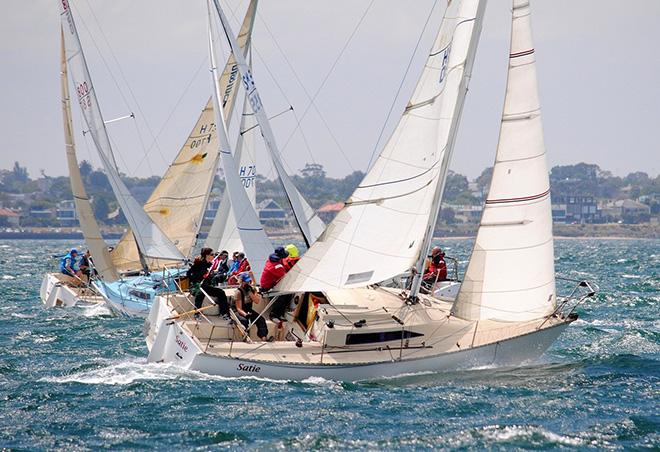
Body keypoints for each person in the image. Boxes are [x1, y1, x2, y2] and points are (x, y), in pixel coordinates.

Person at [187, 247, 229, 317]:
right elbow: (189, 274)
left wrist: (210, 275)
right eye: (212, 254)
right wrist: (199, 278)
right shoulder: (199, 264)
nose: (214, 256)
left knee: (221, 292)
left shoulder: (208, 264)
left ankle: (223, 313)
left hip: (204, 286)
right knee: (200, 293)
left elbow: (207, 278)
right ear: (207, 255)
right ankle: (197, 313)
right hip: (195, 287)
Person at [235, 273, 269, 341]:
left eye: (248, 281)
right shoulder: (238, 292)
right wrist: (245, 315)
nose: (247, 283)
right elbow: (238, 308)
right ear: (242, 281)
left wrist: (250, 293)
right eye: (246, 281)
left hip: (248, 309)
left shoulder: (250, 289)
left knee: (261, 319)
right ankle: (246, 338)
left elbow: (256, 301)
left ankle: (264, 337)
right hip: (240, 310)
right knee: (244, 321)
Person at [261, 247, 291, 321]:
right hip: (267, 287)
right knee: (281, 297)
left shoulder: (271, 260)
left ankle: (280, 314)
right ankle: (274, 315)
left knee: (287, 295)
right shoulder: (276, 267)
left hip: (270, 284)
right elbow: (285, 277)